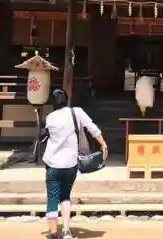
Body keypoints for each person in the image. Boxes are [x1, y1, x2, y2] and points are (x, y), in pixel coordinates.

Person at [43, 89, 108, 239]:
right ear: (66, 99)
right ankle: (66, 230)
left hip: (52, 163)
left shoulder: (50, 118)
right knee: (65, 196)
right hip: (70, 164)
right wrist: (103, 144)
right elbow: (92, 128)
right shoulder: (76, 112)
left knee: (52, 198)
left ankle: (53, 234)